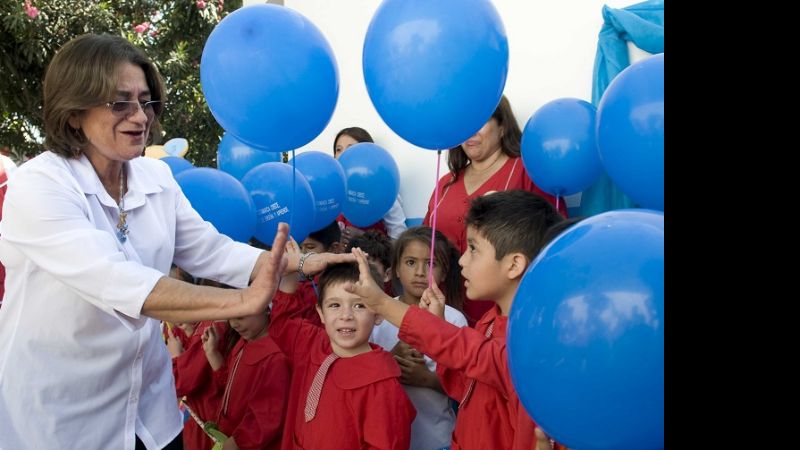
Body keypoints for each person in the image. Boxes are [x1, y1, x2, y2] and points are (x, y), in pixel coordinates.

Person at [0, 33, 350, 449]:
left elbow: (209, 249)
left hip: (150, 413)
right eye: (119, 103)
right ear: (74, 112)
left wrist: (289, 264)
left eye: (145, 101)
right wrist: (241, 301)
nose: (139, 116)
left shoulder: (155, 178)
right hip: (63, 422)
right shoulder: (40, 185)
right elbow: (116, 282)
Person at [348, 190, 566, 450]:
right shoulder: (489, 321)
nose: (462, 260)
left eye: (473, 249)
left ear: (514, 264)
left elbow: (475, 354)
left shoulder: (529, 344)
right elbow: (467, 387)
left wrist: (382, 303)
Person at [423, 95, 568, 326]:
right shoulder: (445, 184)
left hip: (508, 319)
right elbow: (425, 245)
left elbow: (555, 243)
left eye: (479, 121)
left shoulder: (527, 172)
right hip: (447, 315)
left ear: (502, 127)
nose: (470, 131)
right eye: (464, 124)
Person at [270, 260, 416, 449]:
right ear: (321, 313)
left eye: (359, 306)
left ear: (379, 314)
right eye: (334, 305)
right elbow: (282, 323)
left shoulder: (382, 385)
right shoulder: (312, 344)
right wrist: (292, 268)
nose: (345, 315)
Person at [369, 226, 466, 450]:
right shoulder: (377, 316)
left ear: (444, 272)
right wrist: (389, 361)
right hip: (387, 440)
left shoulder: (454, 320)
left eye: (431, 264)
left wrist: (426, 379)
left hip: (438, 439)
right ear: (396, 270)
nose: (421, 272)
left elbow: (466, 387)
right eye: (411, 262)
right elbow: (360, 372)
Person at [202, 304, 290, 450]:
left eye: (241, 316)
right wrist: (212, 353)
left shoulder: (275, 357)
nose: (234, 323)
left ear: (264, 307)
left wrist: (238, 442)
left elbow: (267, 417)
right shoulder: (243, 343)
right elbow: (231, 384)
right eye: (230, 316)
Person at [333, 126, 407, 242]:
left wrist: (364, 237)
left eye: (350, 149)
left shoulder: (384, 190)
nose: (343, 154)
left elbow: (400, 242)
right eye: (338, 149)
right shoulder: (332, 188)